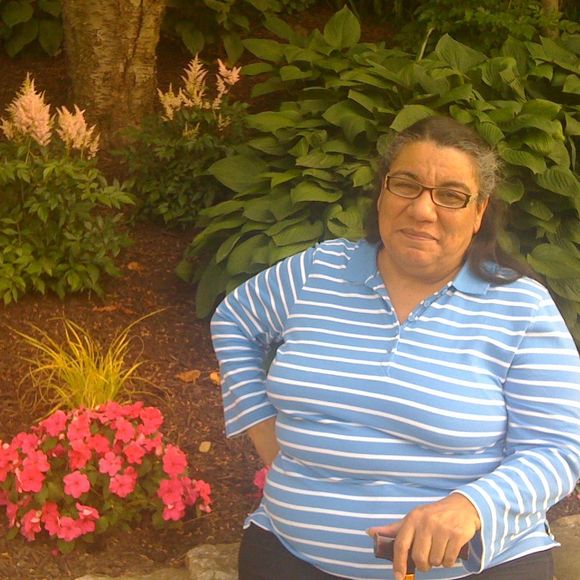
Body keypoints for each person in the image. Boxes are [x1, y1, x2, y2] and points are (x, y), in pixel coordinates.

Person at [210, 115, 580, 580]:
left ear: (479, 213)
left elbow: (556, 449)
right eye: (406, 185)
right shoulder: (317, 273)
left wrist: (471, 507)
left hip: (475, 570)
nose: (423, 210)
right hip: (290, 556)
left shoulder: (520, 307)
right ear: (382, 192)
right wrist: (262, 430)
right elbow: (234, 320)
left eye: (451, 195)